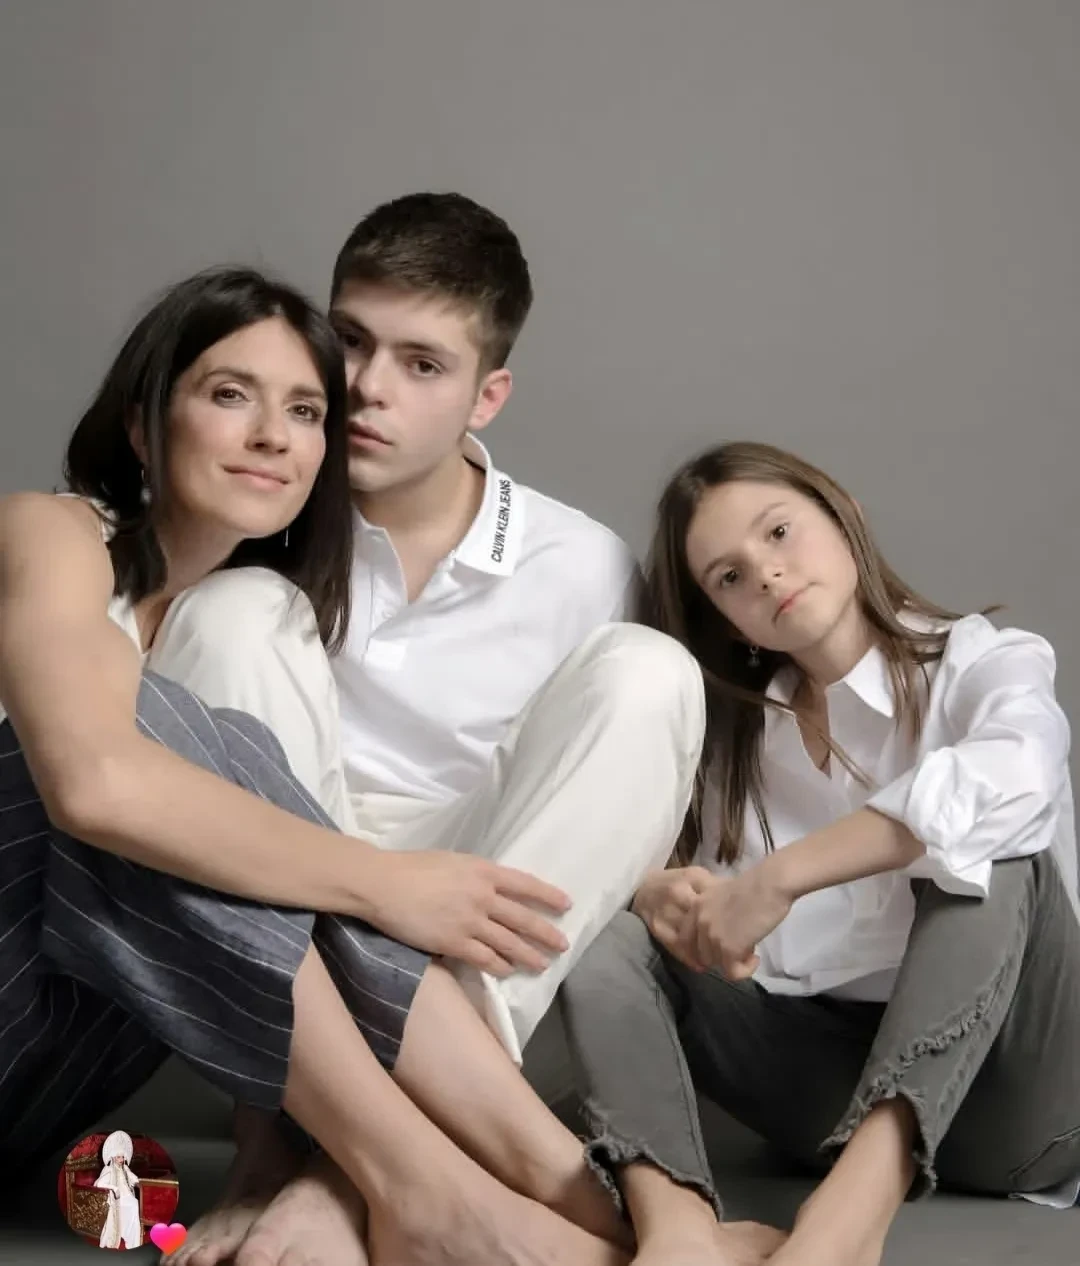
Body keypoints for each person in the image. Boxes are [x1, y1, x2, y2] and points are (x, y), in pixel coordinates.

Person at [0, 266, 650, 1266]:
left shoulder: (264, 626)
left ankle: (518, 1184)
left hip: (43, 1079)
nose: (273, 435)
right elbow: (95, 783)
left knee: (230, 801)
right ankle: (473, 1188)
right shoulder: (51, 533)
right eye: (230, 394)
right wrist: (388, 882)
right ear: (142, 422)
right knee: (162, 742)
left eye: (305, 411)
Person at [167, 193, 708, 1266]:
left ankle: (345, 1171)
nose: (367, 387)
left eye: (422, 365)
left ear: (485, 396)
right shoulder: (250, 499)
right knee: (230, 611)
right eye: (351, 341)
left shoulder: (580, 563)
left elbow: (611, 817)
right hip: (292, 878)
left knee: (651, 672)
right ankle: (286, 1145)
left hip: (476, 915)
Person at [559, 440, 1080, 1266]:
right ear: (725, 617)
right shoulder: (727, 745)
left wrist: (781, 878)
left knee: (993, 848)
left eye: (779, 532)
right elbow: (663, 905)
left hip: (1026, 1103)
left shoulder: (985, 661)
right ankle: (676, 1231)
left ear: (847, 520)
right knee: (612, 938)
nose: (767, 574)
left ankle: (844, 1228)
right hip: (824, 1102)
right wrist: (654, 893)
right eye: (729, 577)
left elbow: (1015, 777)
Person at [95, 1130, 142, 1250]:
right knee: (132, 1205)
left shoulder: (124, 1168)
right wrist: (114, 1188)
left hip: (127, 1195)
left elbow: (134, 1178)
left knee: (134, 1203)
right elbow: (99, 1184)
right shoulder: (108, 1169)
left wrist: (134, 1177)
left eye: (122, 1157)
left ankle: (132, 1239)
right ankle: (122, 1233)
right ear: (113, 1157)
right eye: (118, 1157)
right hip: (116, 1198)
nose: (121, 1159)